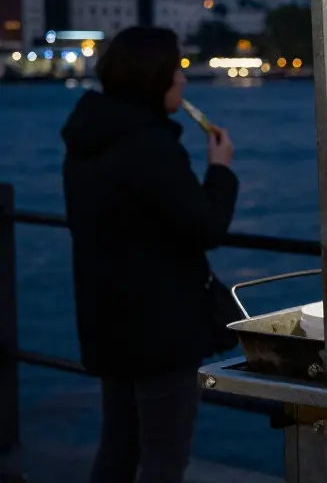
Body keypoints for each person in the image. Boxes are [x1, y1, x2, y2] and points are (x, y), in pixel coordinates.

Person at [61, 26, 238, 483]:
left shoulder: (87, 138)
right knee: (164, 455)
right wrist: (219, 171)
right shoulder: (151, 147)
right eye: (176, 68)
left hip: (106, 318)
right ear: (154, 77)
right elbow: (204, 226)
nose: (183, 79)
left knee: (118, 447)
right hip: (159, 328)